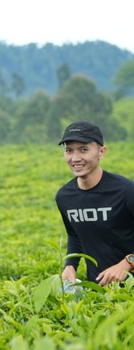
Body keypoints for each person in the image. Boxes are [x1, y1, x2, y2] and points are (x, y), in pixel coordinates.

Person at [55, 120, 134, 286]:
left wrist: (128, 262)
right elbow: (75, 234)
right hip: (99, 290)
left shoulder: (126, 191)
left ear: (101, 152)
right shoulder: (65, 197)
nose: (75, 158)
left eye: (83, 149)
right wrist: (70, 265)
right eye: (69, 150)